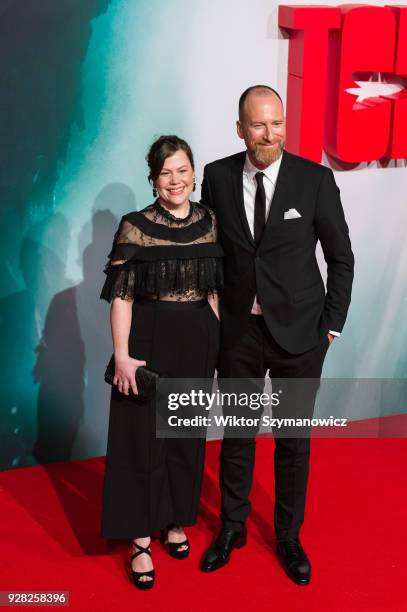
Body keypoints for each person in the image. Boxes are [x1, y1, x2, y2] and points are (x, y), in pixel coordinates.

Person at [200, 85, 354, 584]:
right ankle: (232, 527)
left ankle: (288, 536)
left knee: (292, 441)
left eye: (277, 123)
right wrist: (213, 311)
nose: (270, 134)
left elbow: (340, 258)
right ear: (240, 128)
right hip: (240, 333)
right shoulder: (217, 177)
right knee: (238, 435)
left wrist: (330, 325)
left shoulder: (314, 180)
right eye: (259, 125)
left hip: (301, 336)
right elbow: (209, 253)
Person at [100, 135, 223, 589]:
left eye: (183, 170)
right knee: (140, 439)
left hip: (197, 339)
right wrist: (122, 356)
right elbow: (121, 296)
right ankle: (139, 541)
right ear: (153, 179)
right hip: (147, 340)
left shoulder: (209, 220)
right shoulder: (135, 225)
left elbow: (212, 288)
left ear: (194, 173)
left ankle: (174, 520)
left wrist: (215, 341)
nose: (176, 180)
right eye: (166, 172)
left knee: (186, 437)